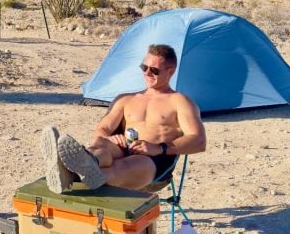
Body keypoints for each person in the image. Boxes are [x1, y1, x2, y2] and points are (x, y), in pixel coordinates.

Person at [41, 44, 206, 193]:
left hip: (153, 162)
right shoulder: (126, 99)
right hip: (121, 150)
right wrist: (110, 138)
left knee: (124, 165)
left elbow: (199, 141)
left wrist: (159, 148)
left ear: (170, 71)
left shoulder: (180, 102)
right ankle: (86, 161)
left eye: (154, 70)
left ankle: (69, 175)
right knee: (102, 144)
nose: (147, 73)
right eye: (144, 67)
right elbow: (102, 130)